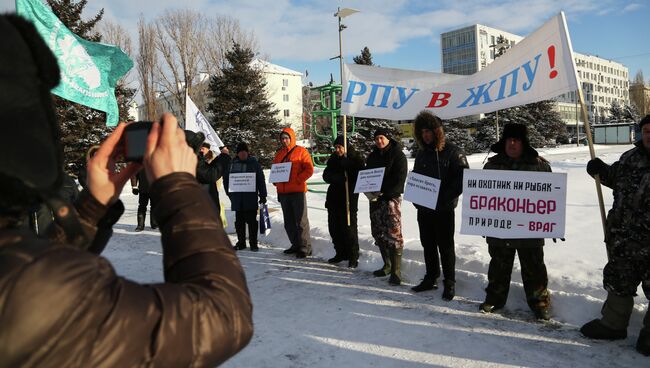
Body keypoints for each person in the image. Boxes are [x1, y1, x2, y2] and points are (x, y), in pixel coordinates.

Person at [0, 14, 252, 367]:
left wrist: (91, 208)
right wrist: (179, 186)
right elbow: (223, 315)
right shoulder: (28, 288)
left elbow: (32, 266)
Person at [580, 115, 650, 356]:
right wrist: (601, 171)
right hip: (625, 239)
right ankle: (613, 325)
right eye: (647, 130)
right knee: (619, 282)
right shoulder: (630, 158)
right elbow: (617, 180)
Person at [479, 123, 552, 320]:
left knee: (534, 268)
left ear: (523, 143)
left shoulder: (540, 166)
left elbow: (551, 198)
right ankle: (494, 298)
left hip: (529, 230)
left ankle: (540, 303)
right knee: (498, 267)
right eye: (509, 139)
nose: (512, 143)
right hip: (500, 229)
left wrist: (551, 223)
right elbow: (482, 198)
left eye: (517, 140)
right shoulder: (492, 166)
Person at [410, 111, 469, 300]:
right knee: (427, 244)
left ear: (437, 131)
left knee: (445, 247)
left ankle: (449, 282)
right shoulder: (421, 153)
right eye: (423, 132)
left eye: (429, 131)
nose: (426, 135)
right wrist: (416, 196)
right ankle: (431, 277)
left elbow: (462, 179)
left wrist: (444, 197)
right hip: (424, 209)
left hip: (444, 209)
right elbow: (417, 177)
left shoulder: (453, 151)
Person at [365, 128, 408, 285]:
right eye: (376, 138)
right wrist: (368, 189)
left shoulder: (398, 155)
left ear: (388, 138)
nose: (379, 141)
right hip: (375, 200)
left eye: (381, 138)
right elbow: (367, 175)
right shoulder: (372, 156)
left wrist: (385, 192)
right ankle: (387, 265)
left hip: (391, 200)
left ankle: (396, 272)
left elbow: (400, 179)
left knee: (393, 233)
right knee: (379, 232)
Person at [323, 135, 365, 268]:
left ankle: (353, 255)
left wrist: (349, 166)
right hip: (334, 199)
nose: (337, 150)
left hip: (348, 199)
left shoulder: (355, 157)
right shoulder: (333, 158)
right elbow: (326, 175)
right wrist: (336, 177)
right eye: (336, 147)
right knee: (334, 228)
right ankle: (340, 253)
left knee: (349, 229)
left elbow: (361, 174)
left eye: (340, 147)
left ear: (346, 147)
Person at [273, 127, 314, 258]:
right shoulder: (279, 154)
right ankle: (295, 244)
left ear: (291, 138)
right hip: (284, 193)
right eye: (282, 138)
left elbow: (309, 169)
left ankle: (305, 247)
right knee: (289, 221)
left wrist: (298, 179)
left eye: (286, 138)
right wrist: (275, 180)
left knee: (301, 220)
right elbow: (275, 170)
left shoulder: (301, 152)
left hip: (297, 191)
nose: (284, 140)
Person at [224, 142, 267, 252]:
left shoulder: (254, 164)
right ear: (238, 153)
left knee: (252, 222)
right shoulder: (232, 164)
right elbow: (226, 180)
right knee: (239, 222)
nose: (243, 154)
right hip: (238, 199)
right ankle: (241, 242)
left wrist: (263, 195)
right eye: (240, 152)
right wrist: (230, 194)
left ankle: (253, 243)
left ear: (247, 153)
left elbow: (261, 181)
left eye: (244, 152)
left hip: (250, 199)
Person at [196, 142, 231, 215]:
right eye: (200, 148)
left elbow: (208, 168)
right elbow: (210, 174)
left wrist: (221, 156)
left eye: (203, 148)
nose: (201, 151)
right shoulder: (195, 159)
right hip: (202, 208)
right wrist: (224, 156)